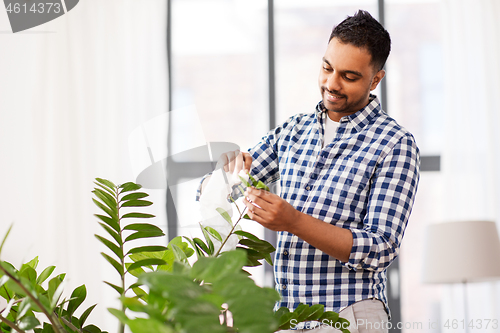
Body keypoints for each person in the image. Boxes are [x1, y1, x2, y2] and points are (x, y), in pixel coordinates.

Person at [202, 10, 420, 333]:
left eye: (349, 76)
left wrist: (293, 221)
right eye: (327, 67)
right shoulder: (293, 131)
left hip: (349, 316)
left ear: (376, 80)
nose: (331, 84)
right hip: (288, 319)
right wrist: (228, 176)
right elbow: (222, 194)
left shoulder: (394, 144)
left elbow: (380, 248)